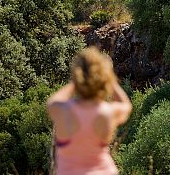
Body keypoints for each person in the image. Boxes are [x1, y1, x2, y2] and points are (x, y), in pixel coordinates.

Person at [47, 47, 132, 175]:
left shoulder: (64, 111)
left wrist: (76, 83)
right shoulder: (107, 112)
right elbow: (126, 105)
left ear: (76, 75)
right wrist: (109, 77)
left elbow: (52, 102)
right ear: (103, 79)